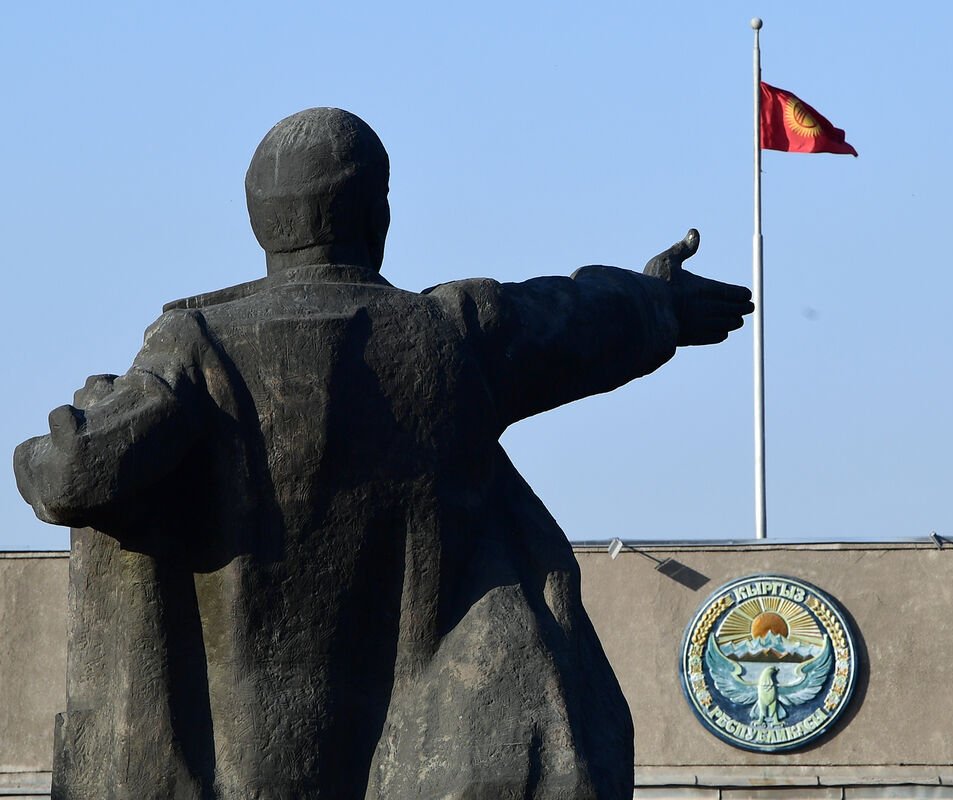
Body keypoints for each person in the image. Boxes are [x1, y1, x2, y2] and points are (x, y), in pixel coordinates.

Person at [14, 107, 752, 800]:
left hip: (242, 763)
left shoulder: (197, 351)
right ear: (380, 218)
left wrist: (96, 404)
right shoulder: (452, 336)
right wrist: (658, 300)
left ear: (260, 227)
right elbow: (575, 318)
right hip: (427, 757)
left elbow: (72, 475)